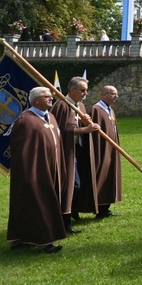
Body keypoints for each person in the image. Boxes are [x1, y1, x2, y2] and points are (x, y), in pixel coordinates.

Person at [7, 87, 66, 253]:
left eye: (51, 96)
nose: (51, 99)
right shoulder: (25, 121)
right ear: (36, 100)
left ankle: (19, 237)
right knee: (38, 203)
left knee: (31, 204)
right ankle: (44, 242)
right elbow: (20, 150)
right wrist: (28, 173)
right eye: (46, 97)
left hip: (52, 167)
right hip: (35, 171)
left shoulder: (51, 117)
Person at [49, 77, 100, 233]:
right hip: (66, 152)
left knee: (80, 182)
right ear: (72, 90)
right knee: (71, 185)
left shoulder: (80, 106)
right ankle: (65, 222)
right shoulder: (62, 105)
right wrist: (84, 130)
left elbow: (79, 125)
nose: (85, 93)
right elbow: (59, 131)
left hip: (79, 150)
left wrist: (87, 124)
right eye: (82, 90)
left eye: (86, 90)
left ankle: (74, 210)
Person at [90, 85, 122, 218]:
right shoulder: (96, 109)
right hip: (102, 149)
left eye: (116, 94)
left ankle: (106, 207)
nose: (116, 97)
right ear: (104, 94)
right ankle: (99, 207)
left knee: (110, 174)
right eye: (113, 94)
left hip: (111, 148)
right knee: (102, 174)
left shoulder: (110, 110)